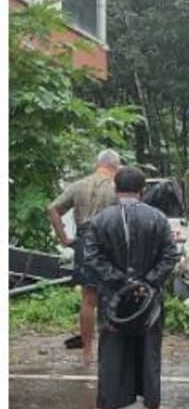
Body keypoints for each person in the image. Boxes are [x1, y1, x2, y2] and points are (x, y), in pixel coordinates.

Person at [81, 167, 180, 409]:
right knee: (149, 349)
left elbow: (92, 257)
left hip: (114, 299)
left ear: (115, 189)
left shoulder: (101, 220)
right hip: (149, 300)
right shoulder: (157, 218)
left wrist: (122, 281)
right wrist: (147, 282)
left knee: (112, 350)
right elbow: (170, 255)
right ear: (142, 190)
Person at [48, 149, 121, 365]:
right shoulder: (117, 187)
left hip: (85, 240)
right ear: (115, 166)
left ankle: (87, 352)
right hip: (110, 240)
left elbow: (53, 208)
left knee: (89, 299)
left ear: (97, 164)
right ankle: (111, 349)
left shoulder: (79, 185)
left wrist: (64, 238)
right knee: (113, 295)